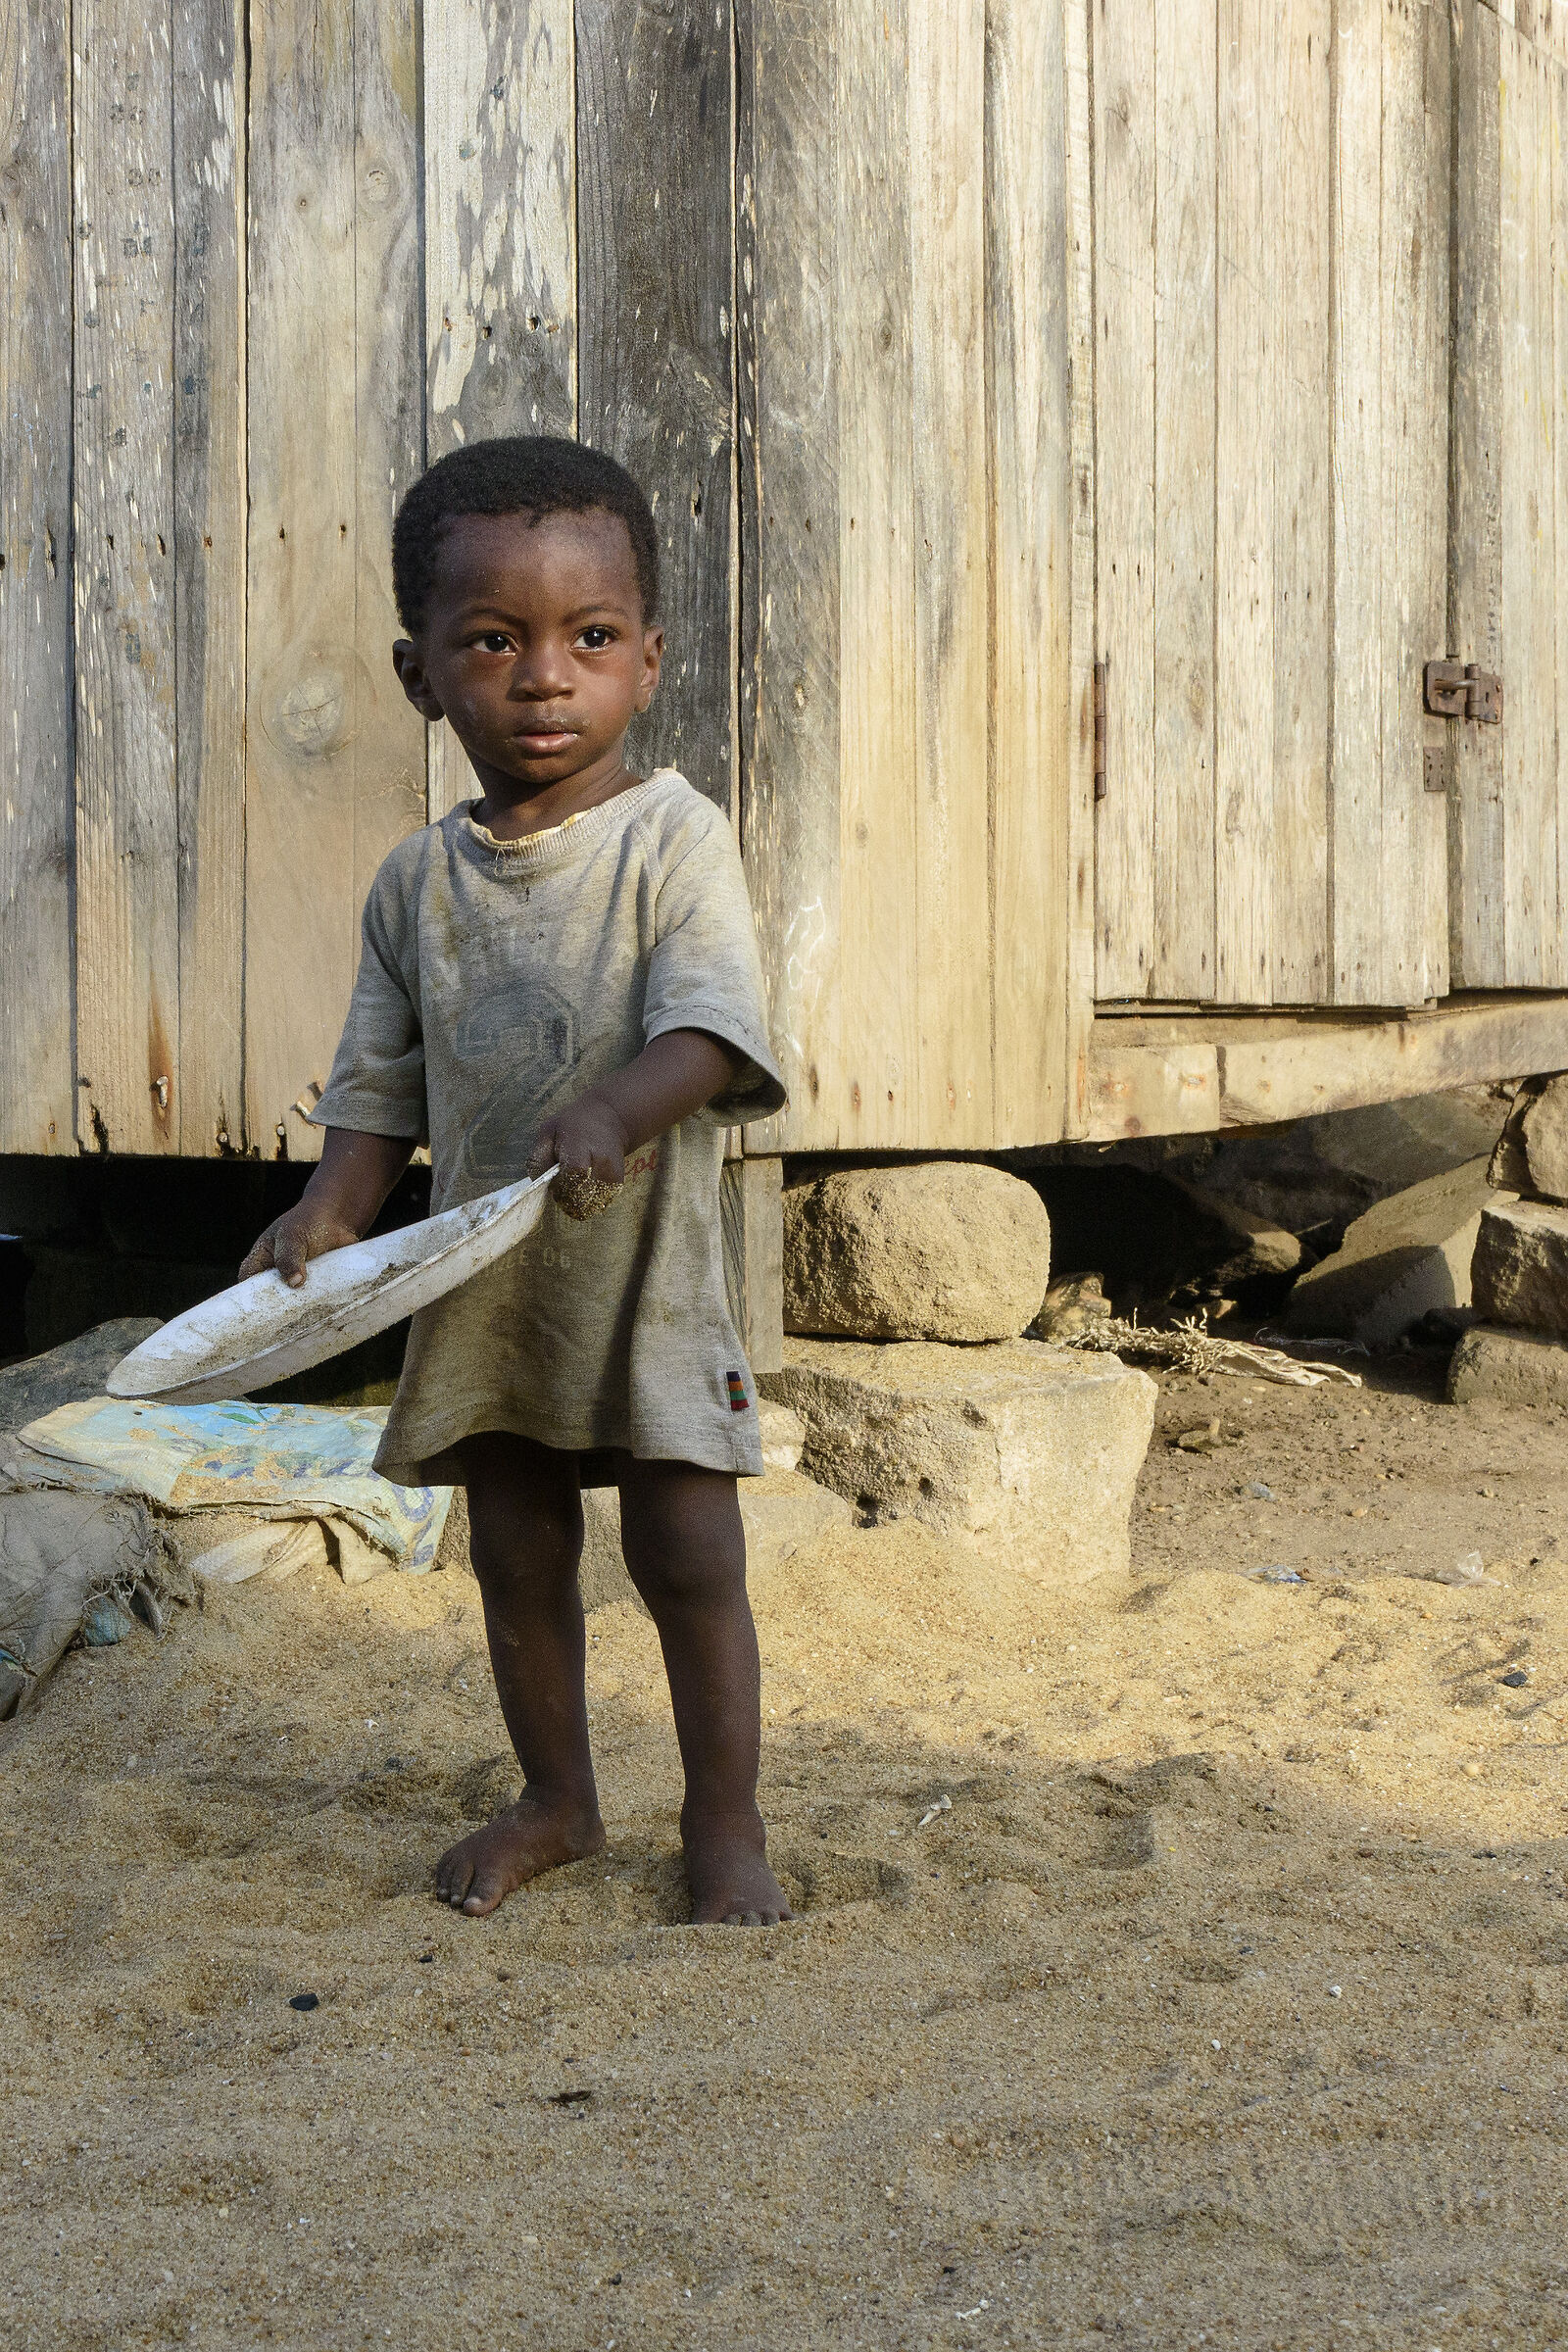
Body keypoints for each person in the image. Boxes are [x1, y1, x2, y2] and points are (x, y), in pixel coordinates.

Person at [240, 436, 793, 1928]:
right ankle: (558, 1797)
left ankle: (725, 1824)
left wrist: (617, 1107)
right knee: (517, 1546)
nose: (545, 677)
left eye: (590, 638)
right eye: (494, 641)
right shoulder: (418, 884)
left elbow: (717, 1028)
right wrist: (335, 1214)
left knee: (687, 1549)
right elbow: (378, 1084)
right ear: (421, 674)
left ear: (650, 659)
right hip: (486, 1282)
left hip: (645, 1276)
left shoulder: (673, 838)